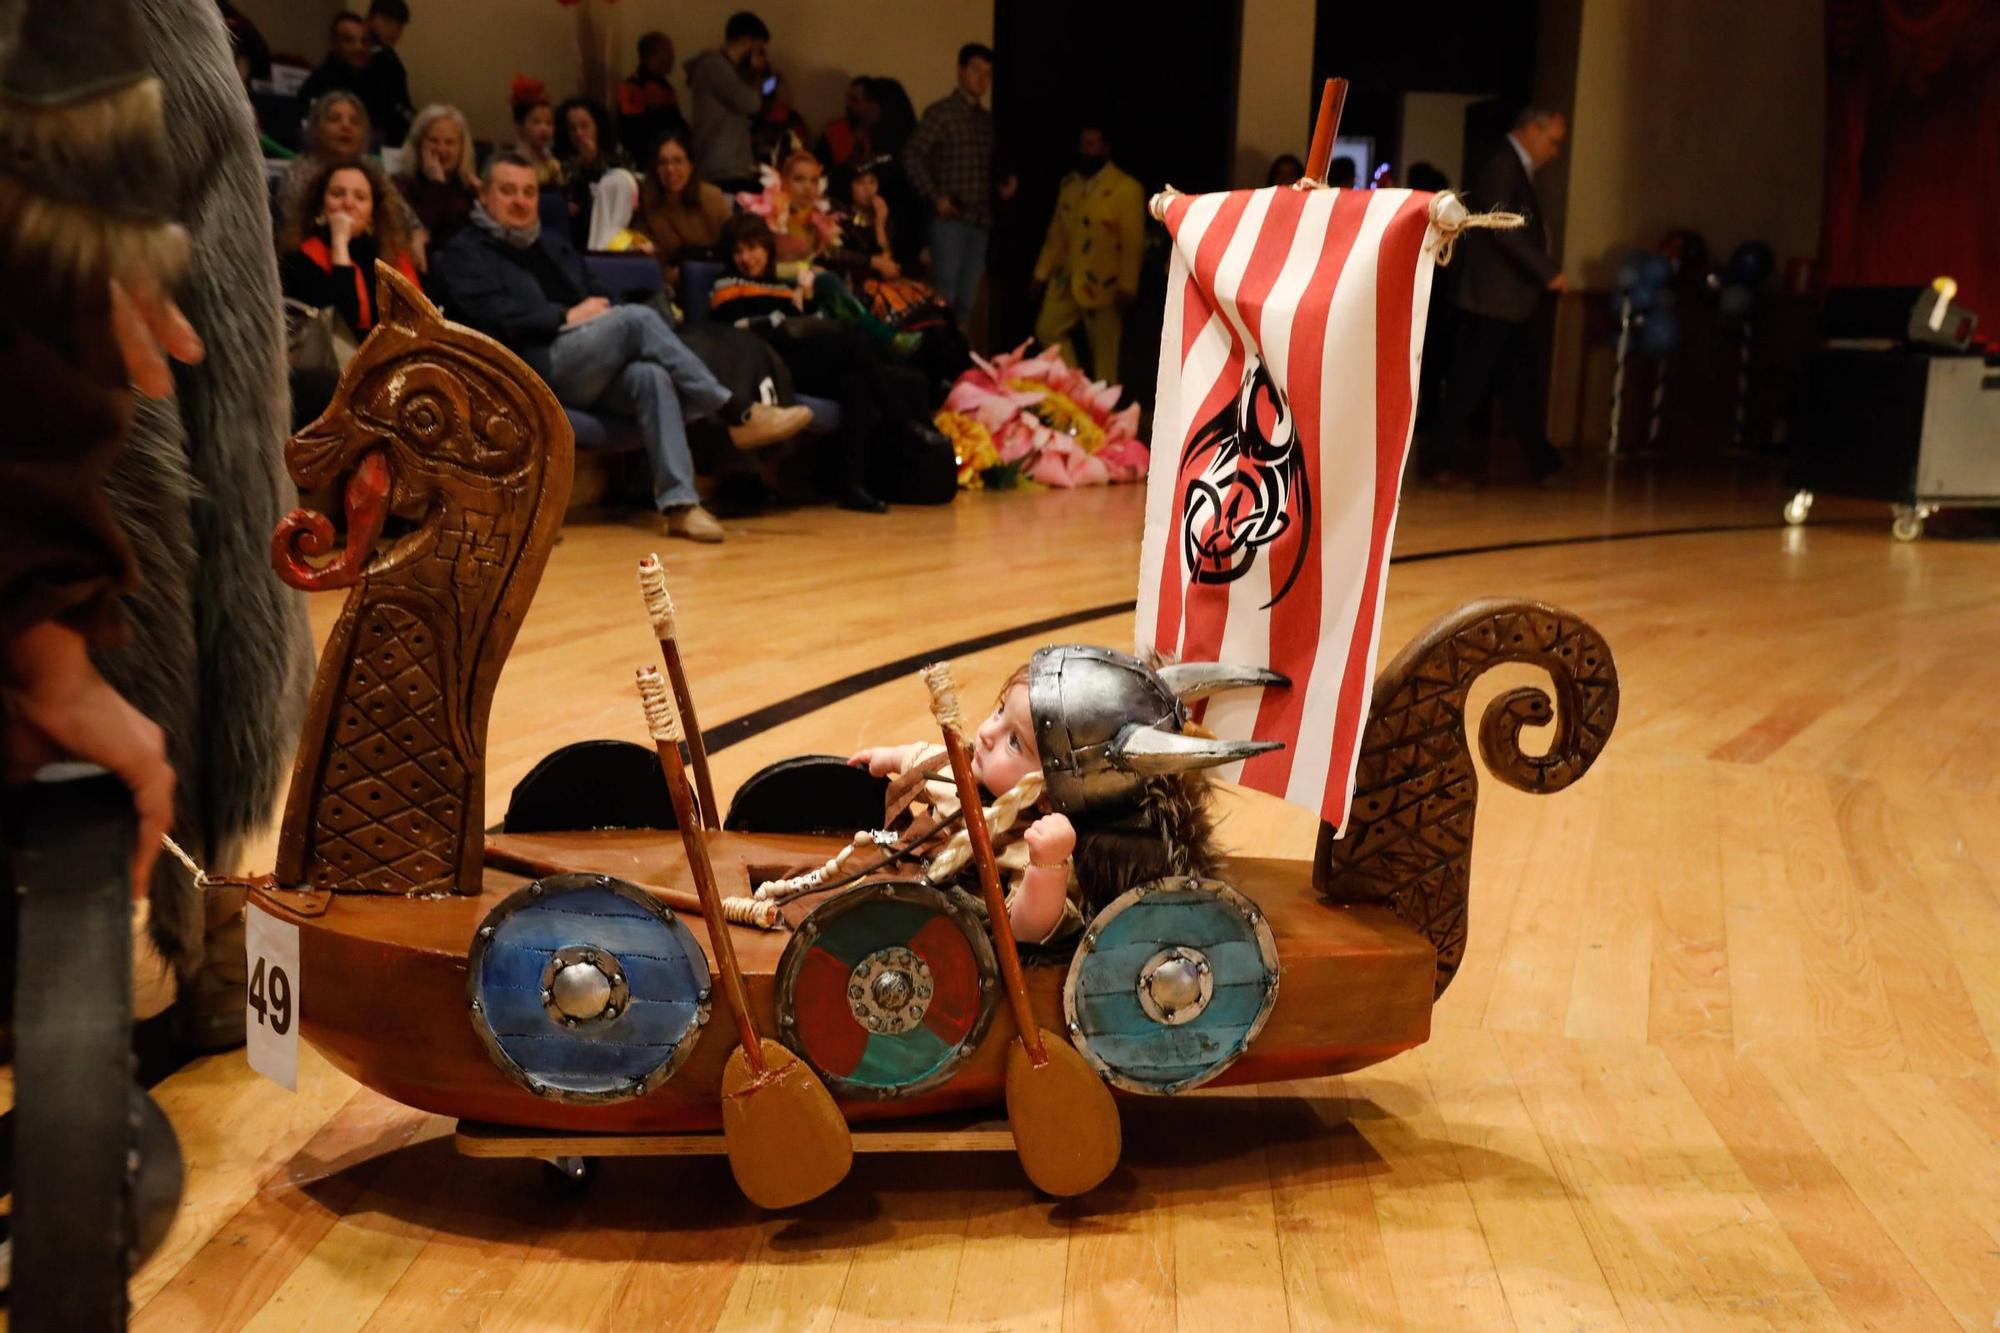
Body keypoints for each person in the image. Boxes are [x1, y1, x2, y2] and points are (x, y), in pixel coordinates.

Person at [435, 155, 814, 543]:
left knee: (651, 376)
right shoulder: (464, 252)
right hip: (532, 364)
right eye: (508, 190)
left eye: (529, 191)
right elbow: (488, 312)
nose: (520, 200)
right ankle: (735, 412)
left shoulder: (552, 246)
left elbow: (600, 292)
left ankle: (681, 505)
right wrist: (566, 315)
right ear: (483, 194)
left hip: (587, 361)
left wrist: (597, 312)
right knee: (636, 320)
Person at [846, 653, 1234, 945]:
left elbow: (1027, 929)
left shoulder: (1023, 843)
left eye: (1015, 741)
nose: (986, 734)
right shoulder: (965, 772)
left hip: (930, 923)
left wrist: (1046, 868)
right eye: (1000, 712)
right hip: (899, 870)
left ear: (1051, 795)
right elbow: (927, 759)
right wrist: (890, 757)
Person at [711, 212, 955, 513]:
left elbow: (805, 320)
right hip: (769, 367)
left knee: (856, 382)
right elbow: (740, 327)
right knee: (855, 342)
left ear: (767, 247)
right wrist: (785, 318)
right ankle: (901, 419)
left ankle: (852, 484)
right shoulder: (726, 284)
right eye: (738, 251)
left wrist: (802, 308)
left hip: (802, 359)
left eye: (752, 248)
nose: (746, 258)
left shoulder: (781, 285)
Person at [1431, 107, 1569, 489]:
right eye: (1553, 142)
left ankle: (1544, 462)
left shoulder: (1510, 164)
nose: (1554, 151)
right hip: (1492, 299)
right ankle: (1440, 461)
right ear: (1531, 130)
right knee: (1468, 384)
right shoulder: (1503, 164)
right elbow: (1503, 229)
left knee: (1517, 384)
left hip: (1505, 301)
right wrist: (1547, 271)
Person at [1031, 123, 1145, 382]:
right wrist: (1041, 272)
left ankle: (1105, 409)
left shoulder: (1125, 189)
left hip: (1105, 280)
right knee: (1047, 328)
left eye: (1092, 145)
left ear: (1105, 149)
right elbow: (1057, 234)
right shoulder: (1070, 185)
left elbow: (1132, 242)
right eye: (1083, 144)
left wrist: (1128, 285)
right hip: (1068, 278)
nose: (1086, 151)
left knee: (1106, 352)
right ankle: (1076, 387)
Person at [904, 42, 1003, 322]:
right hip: (950, 218)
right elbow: (912, 155)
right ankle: (938, 357)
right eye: (976, 71)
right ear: (961, 72)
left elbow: (987, 167)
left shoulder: (987, 122)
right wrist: (935, 197)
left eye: (988, 73)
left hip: (981, 219)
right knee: (944, 294)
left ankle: (956, 359)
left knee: (968, 301)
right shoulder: (942, 112)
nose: (982, 79)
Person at [277, 91, 425, 263]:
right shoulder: (298, 171)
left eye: (354, 121)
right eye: (335, 119)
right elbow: (291, 226)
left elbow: (405, 216)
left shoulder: (371, 168)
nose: (346, 126)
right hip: (313, 259)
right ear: (317, 127)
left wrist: (416, 234)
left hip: (370, 254)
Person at [280, 159, 420, 338]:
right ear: (321, 207)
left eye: (360, 197)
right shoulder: (298, 259)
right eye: (337, 194)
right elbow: (341, 327)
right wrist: (340, 242)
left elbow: (415, 324)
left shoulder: (393, 259)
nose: (348, 203)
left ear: (372, 215)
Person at [637, 128, 734, 293]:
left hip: (716, 282)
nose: (670, 170)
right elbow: (646, 261)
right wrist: (672, 276)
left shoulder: (711, 198)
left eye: (677, 161)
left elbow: (734, 245)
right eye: (663, 163)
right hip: (669, 288)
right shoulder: (647, 204)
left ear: (691, 165)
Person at [685, 11, 769, 194]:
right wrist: (756, 74)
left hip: (727, 165)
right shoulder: (715, 66)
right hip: (722, 167)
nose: (760, 56)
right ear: (746, 42)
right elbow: (751, 103)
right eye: (758, 49)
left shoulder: (726, 69)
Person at [394, 103, 478, 256]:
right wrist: (437, 185)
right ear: (419, 144)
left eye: (449, 142)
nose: (441, 149)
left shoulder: (469, 189)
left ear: (462, 148)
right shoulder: (401, 186)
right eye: (433, 140)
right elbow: (425, 232)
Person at [555, 96, 627, 247]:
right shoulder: (562, 162)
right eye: (572, 128)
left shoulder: (616, 157)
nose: (579, 133)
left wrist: (593, 161)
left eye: (584, 126)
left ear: (597, 126)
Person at [616, 31, 687, 165]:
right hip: (647, 162)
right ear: (654, 55)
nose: (673, 57)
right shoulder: (633, 88)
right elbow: (633, 132)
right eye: (669, 52)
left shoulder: (666, 87)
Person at [295, 10, 371, 128]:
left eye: (364, 41)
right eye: (349, 40)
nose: (359, 47)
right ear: (334, 44)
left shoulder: (370, 81)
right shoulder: (319, 82)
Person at [362, 0, 413, 146]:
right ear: (370, 19)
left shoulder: (389, 58)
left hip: (391, 134)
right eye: (387, 21)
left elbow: (399, 102)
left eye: (399, 26)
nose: (393, 31)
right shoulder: (367, 56)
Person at [508, 74, 563, 187]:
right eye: (536, 122)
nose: (544, 128)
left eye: (549, 123)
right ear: (520, 126)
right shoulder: (514, 163)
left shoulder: (552, 164)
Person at [815, 77, 873, 173]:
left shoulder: (881, 134)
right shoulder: (834, 132)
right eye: (848, 99)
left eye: (855, 100)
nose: (848, 105)